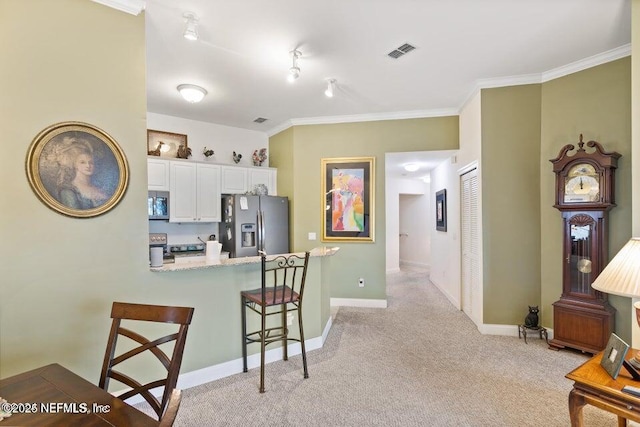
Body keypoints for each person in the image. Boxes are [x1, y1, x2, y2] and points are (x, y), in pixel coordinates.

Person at [55, 138, 108, 209]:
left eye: (91, 162)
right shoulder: (68, 190)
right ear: (75, 165)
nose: (88, 166)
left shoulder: (98, 189)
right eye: (82, 162)